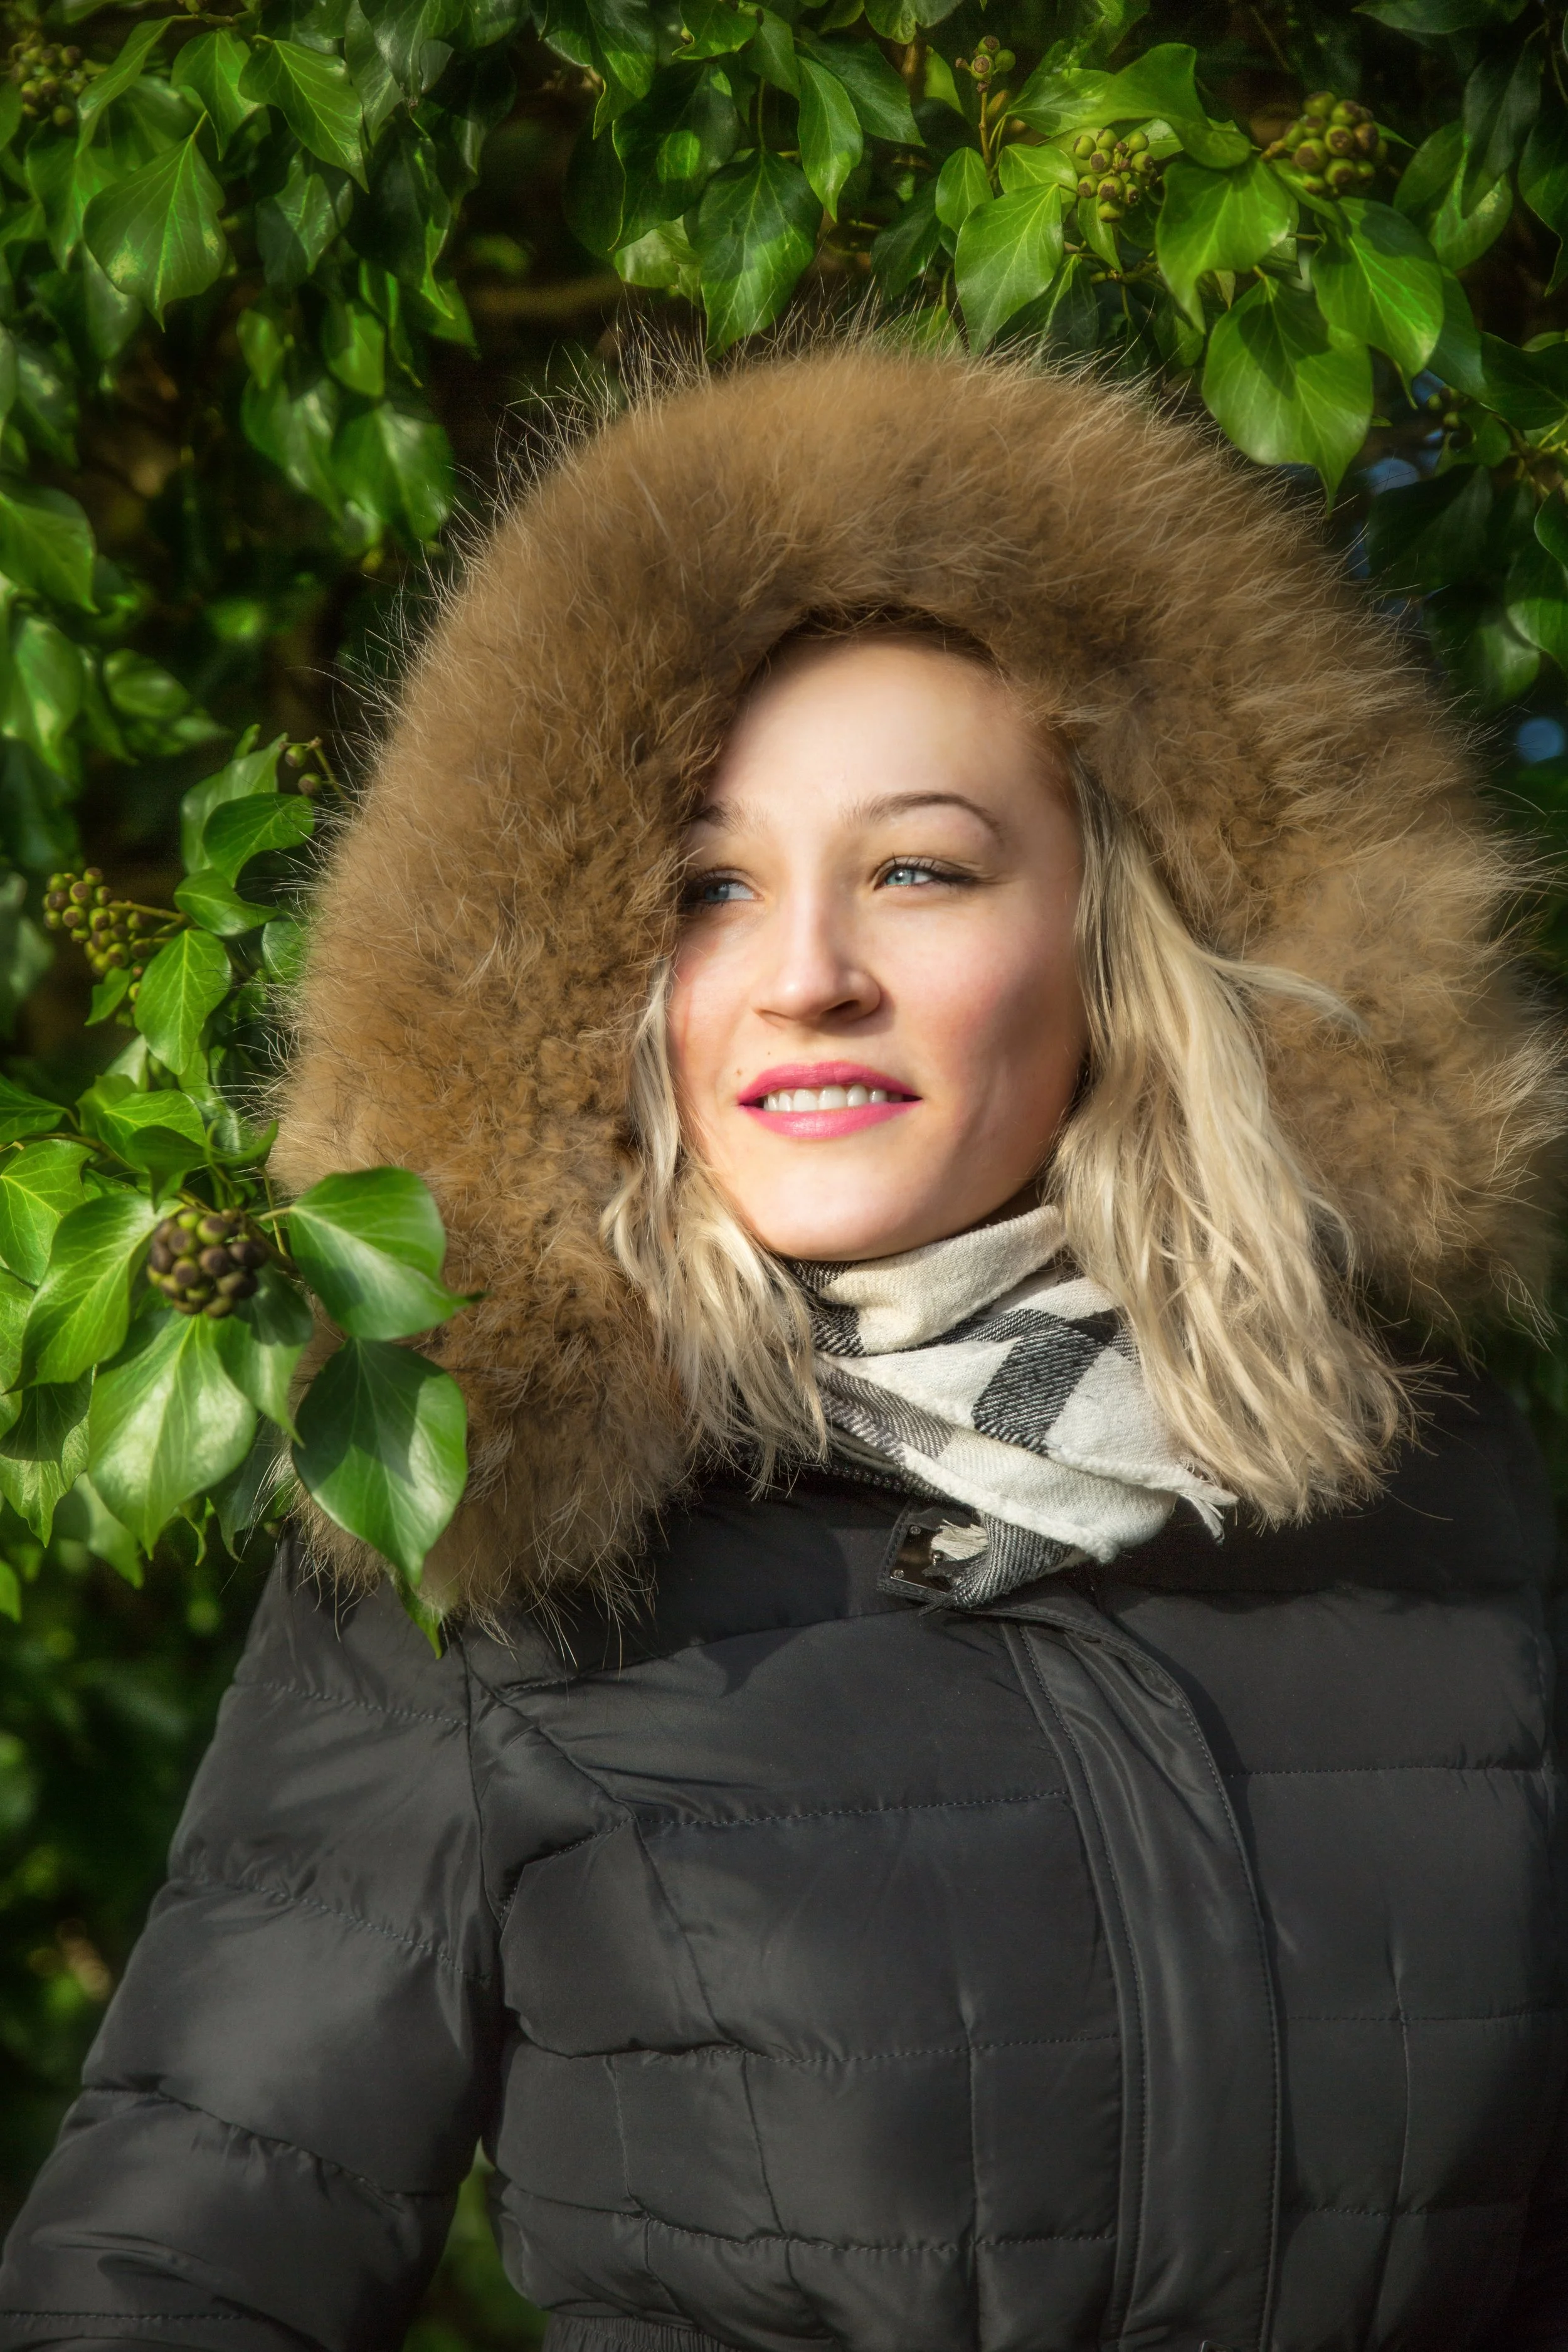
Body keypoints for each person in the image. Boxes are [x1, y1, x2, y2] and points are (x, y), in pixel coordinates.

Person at [1, 341, 1564, 2352]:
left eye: (918, 868)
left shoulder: (1432, 1492)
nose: (807, 972)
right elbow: (168, 2275)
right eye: (706, 887)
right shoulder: (491, 1550)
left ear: (1113, 933)